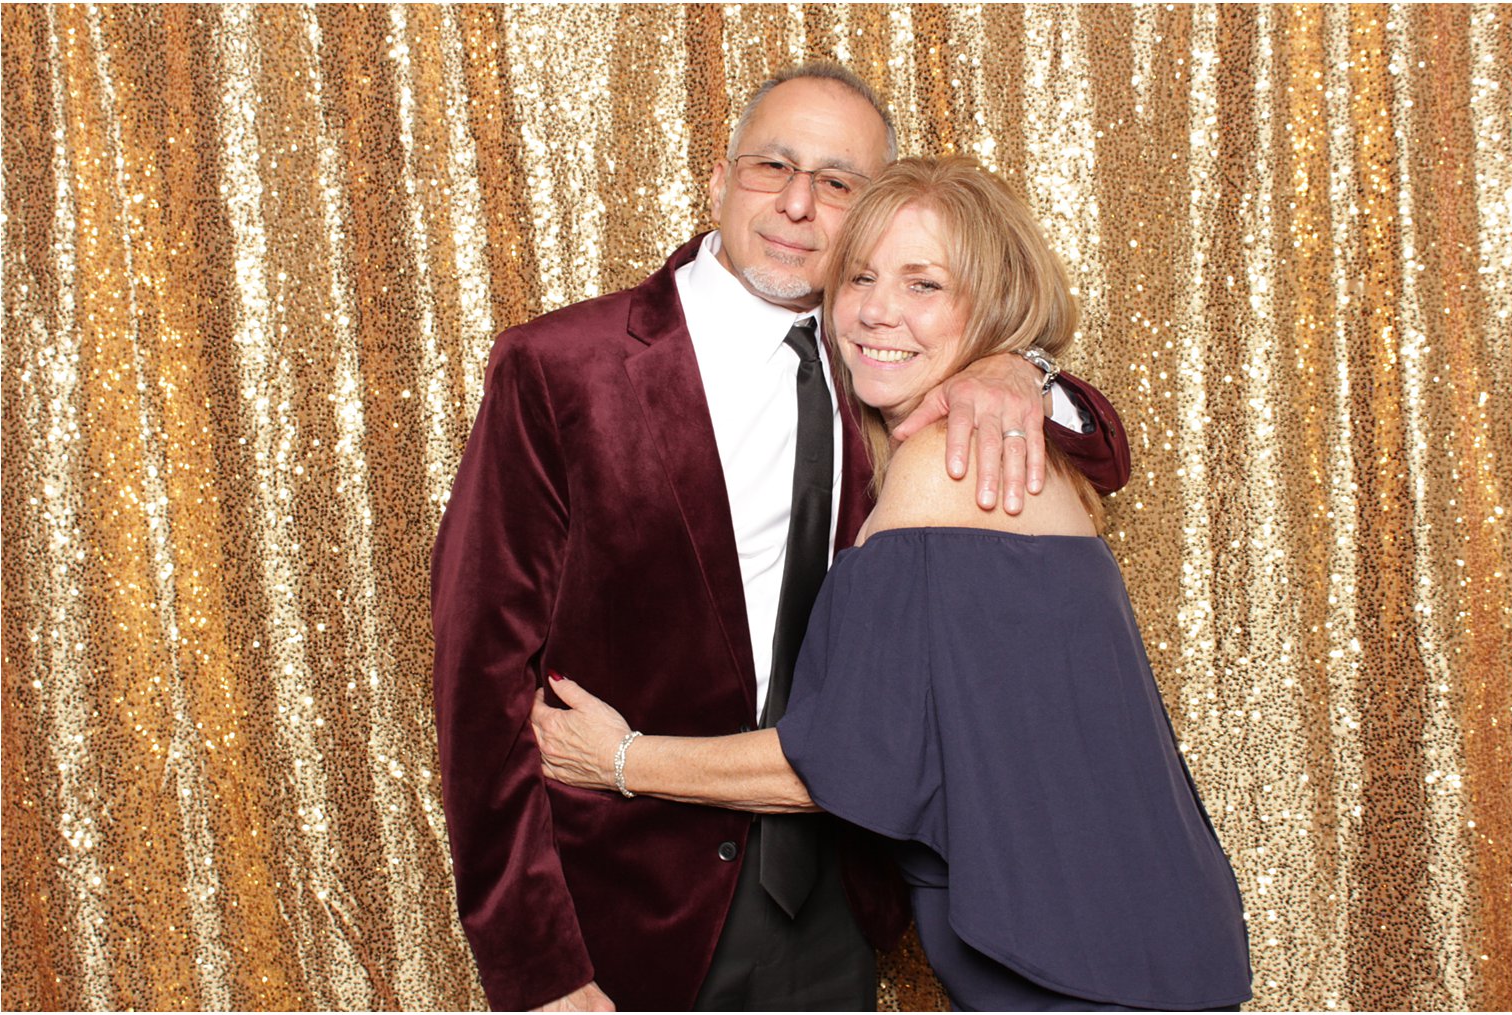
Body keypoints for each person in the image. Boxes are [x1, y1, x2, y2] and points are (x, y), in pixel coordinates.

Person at [431, 63, 1131, 1012]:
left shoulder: (891, 363)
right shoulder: (562, 367)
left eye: (840, 183)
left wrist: (1017, 366)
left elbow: (1101, 447)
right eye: (773, 166)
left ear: (871, 219)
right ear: (720, 180)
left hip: (837, 898)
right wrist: (541, 968)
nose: (800, 204)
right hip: (622, 914)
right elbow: (479, 677)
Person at [531, 156, 1251, 1012]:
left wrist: (619, 758)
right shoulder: (1004, 444)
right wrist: (1022, 367)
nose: (877, 309)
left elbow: (835, 763)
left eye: (924, 284)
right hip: (1136, 946)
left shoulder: (950, 468)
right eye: (861, 277)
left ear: (992, 306)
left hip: (1078, 973)